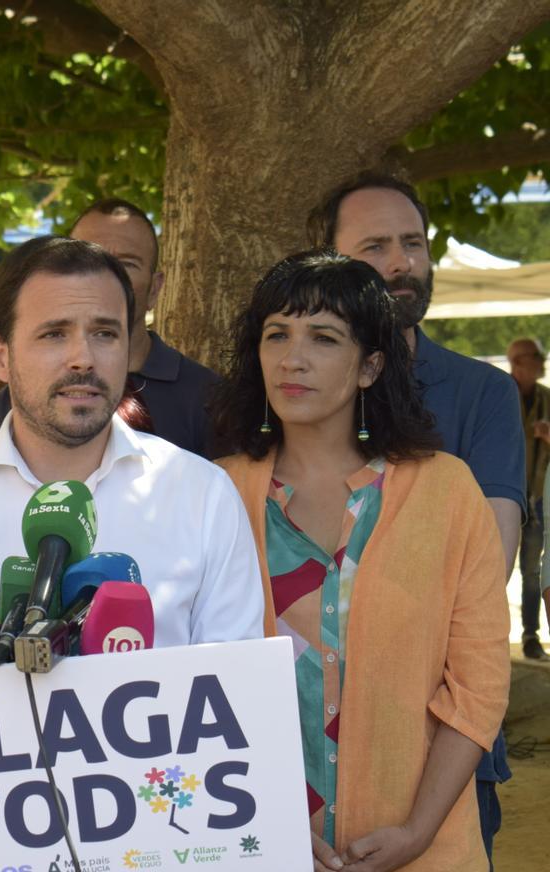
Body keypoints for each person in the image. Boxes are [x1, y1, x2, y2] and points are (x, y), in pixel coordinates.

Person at [214, 250, 509, 872]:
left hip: (424, 850)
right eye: (277, 335)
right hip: (253, 847)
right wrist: (267, 822)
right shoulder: (213, 495)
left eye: (323, 338)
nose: (293, 358)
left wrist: (418, 831)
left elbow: (478, 689)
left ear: (371, 365)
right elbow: (197, 687)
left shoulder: (448, 493)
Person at [0, 236, 263, 676]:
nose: (82, 358)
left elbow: (235, 699)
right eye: (54, 334)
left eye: (105, 333)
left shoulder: (202, 497)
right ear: (1, 355)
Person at [308, 173, 523, 864]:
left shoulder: (482, 393)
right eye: (376, 246)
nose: (402, 262)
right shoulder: (288, 398)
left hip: (446, 750)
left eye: (413, 243)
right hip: (300, 760)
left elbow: (486, 569)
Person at [0, 198, 220, 456]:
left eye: (127, 264)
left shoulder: (210, 398)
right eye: (86, 259)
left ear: (155, 288)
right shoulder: (19, 396)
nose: (105, 275)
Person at [506, 337, 550, 660]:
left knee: (532, 572)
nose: (542, 361)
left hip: (535, 499)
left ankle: (531, 636)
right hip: (502, 498)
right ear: (517, 362)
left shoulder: (547, 398)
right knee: (495, 571)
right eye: (536, 356)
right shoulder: (499, 394)